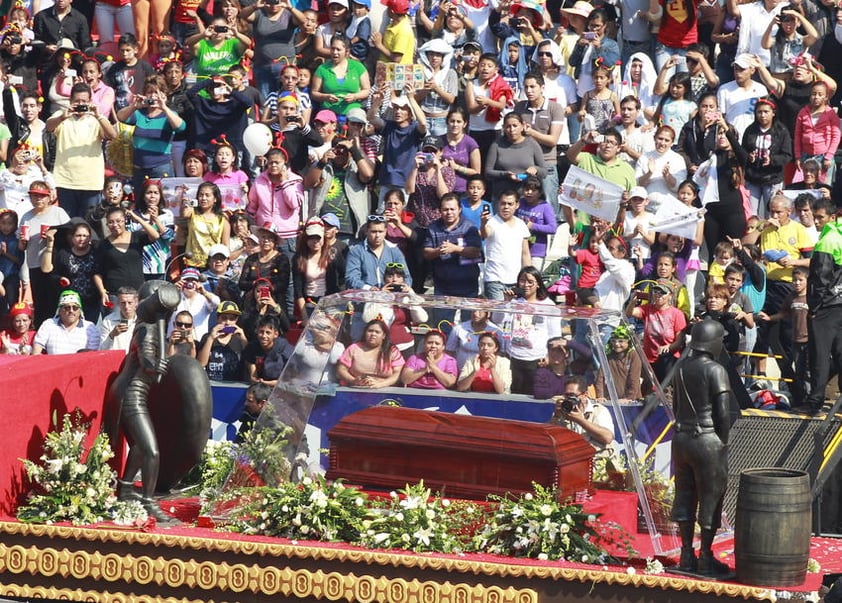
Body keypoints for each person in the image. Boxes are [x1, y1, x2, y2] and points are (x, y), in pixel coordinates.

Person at [106, 281, 181, 522]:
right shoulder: (146, 330)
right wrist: (153, 364)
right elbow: (146, 357)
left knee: (140, 446)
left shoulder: (146, 327)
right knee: (151, 450)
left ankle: (126, 489)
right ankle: (148, 501)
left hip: (137, 394)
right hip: (132, 395)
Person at [670, 319, 731, 576]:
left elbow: (675, 406)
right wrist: (722, 440)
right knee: (711, 498)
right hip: (707, 438)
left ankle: (686, 555)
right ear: (713, 342)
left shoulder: (680, 367)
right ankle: (705, 557)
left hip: (681, 438)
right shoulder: (715, 370)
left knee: (684, 495)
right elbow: (724, 413)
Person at [46, 83, 117, 219]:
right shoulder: (62, 115)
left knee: (89, 225)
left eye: (84, 101)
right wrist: (63, 116)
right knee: (67, 225)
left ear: (90, 101)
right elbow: (49, 127)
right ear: (70, 101)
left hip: (90, 182)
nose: (80, 104)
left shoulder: (97, 119)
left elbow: (112, 135)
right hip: (65, 181)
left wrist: (98, 115)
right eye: (77, 101)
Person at [805, 205, 842, 415]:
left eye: (820, 217)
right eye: (815, 217)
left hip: (827, 305)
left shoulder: (828, 239)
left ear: (833, 217)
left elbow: (820, 277)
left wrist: (814, 307)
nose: (817, 221)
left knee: (820, 354)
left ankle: (815, 401)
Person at [503, 266, 561, 395]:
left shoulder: (549, 305)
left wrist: (549, 355)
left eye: (530, 282)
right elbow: (501, 323)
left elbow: (555, 334)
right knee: (515, 394)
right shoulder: (514, 302)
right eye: (522, 281)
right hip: (513, 355)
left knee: (533, 393)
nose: (525, 285)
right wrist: (505, 303)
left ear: (538, 284)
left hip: (537, 358)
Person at [93, 206, 161, 309]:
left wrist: (137, 219)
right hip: (114, 294)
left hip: (137, 293)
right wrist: (102, 292)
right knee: (115, 323)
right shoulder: (103, 245)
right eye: (111, 222)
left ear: (124, 220)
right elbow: (97, 272)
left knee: (138, 323)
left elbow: (155, 235)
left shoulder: (136, 237)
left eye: (118, 221)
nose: (115, 225)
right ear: (107, 224)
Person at [40, 217, 100, 323]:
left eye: (85, 236)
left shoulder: (96, 252)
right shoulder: (64, 254)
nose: (82, 239)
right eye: (78, 235)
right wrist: (60, 279)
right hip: (71, 302)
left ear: (90, 237)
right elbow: (52, 273)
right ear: (72, 238)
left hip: (92, 301)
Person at [423, 193, 483, 298]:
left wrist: (455, 249)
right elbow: (426, 253)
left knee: (469, 315)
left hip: (468, 286)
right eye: (445, 209)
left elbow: (476, 252)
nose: (449, 213)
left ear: (459, 209)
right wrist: (438, 251)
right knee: (441, 315)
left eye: (452, 209)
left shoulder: (469, 227)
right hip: (442, 287)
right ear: (440, 210)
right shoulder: (433, 228)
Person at [549, 374, 616, 460]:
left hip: (598, 462)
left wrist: (581, 421)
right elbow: (549, 439)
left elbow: (607, 437)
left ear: (585, 395)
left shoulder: (599, 411)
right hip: (571, 462)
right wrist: (556, 416)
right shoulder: (563, 412)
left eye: (572, 395)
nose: (569, 399)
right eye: (566, 395)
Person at [484, 112, 547, 200]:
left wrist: (535, 169)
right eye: (508, 126)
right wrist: (505, 174)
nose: (511, 129)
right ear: (504, 128)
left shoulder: (532, 144)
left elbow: (544, 172)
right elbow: (488, 172)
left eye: (515, 126)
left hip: (526, 198)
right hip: (502, 197)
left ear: (522, 126)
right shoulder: (497, 144)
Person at [481, 190, 531, 300]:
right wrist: (483, 223)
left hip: (516, 280)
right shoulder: (492, 222)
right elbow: (485, 234)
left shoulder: (521, 224)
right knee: (498, 314)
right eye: (503, 203)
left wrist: (528, 276)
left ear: (517, 205)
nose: (506, 207)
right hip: (495, 279)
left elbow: (525, 253)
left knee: (514, 316)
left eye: (510, 204)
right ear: (498, 204)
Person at [311, 33, 371, 117]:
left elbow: (367, 90)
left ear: (347, 51)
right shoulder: (322, 69)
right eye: (332, 49)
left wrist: (355, 96)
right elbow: (314, 93)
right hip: (329, 111)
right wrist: (325, 97)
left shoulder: (358, 67)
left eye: (338, 50)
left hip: (353, 111)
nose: (335, 52)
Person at [345, 215, 412, 290]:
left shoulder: (394, 250)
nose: (377, 235)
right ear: (367, 231)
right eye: (373, 232)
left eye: (380, 232)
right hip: (365, 297)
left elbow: (406, 276)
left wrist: (404, 287)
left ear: (386, 231)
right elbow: (351, 278)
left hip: (391, 297)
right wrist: (370, 288)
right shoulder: (356, 251)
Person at [336, 318, 405, 387]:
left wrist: (380, 384)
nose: (373, 334)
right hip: (356, 387)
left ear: (384, 336)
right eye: (370, 331)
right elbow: (341, 369)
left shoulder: (392, 351)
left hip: (384, 389)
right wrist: (354, 381)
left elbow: (397, 374)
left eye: (377, 332)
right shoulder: (353, 348)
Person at [32, 289, 99, 354]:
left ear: (80, 310)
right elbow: (37, 349)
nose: (71, 311)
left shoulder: (90, 328)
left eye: (75, 307)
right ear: (59, 310)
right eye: (67, 307)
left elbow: (93, 356)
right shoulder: (48, 324)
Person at [198, 300, 249, 382]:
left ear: (236, 320)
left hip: (234, 385)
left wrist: (243, 339)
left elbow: (249, 364)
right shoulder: (207, 337)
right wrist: (211, 338)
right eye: (224, 318)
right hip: (212, 383)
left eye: (232, 319)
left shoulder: (239, 339)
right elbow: (201, 363)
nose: (227, 322)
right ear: (218, 318)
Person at [243, 314, 294, 387]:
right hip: (258, 387)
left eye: (268, 332)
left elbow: (291, 378)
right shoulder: (251, 347)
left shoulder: (284, 348)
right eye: (261, 332)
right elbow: (253, 376)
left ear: (275, 334)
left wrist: (269, 383)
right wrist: (256, 379)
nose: (264, 336)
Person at [99, 286, 139, 352]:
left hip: (135, 360)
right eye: (123, 303)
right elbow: (102, 350)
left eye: (130, 303)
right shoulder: (108, 321)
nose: (126, 307)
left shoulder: (142, 320)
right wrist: (112, 335)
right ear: (118, 303)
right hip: (115, 359)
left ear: (136, 302)